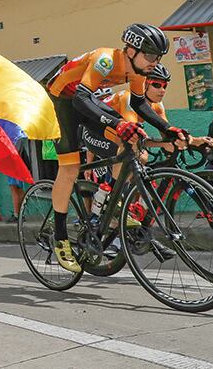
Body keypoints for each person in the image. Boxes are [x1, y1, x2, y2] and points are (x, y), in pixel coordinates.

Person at [45, 24, 185, 272]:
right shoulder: (106, 60)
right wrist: (116, 123)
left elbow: (140, 104)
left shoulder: (138, 70)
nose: (154, 62)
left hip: (86, 101)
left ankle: (113, 202)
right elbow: (80, 97)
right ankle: (60, 239)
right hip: (61, 100)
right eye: (150, 55)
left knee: (129, 139)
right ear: (130, 50)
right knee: (70, 167)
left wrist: (168, 129)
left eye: (158, 58)